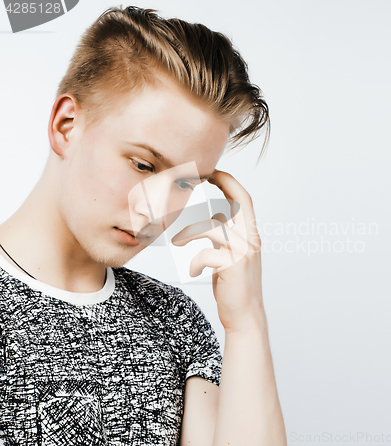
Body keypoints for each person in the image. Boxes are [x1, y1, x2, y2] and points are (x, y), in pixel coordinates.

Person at [0, 5, 286, 445]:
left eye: (186, 182)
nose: (158, 209)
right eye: (142, 164)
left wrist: (246, 322)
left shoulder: (176, 323)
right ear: (66, 126)